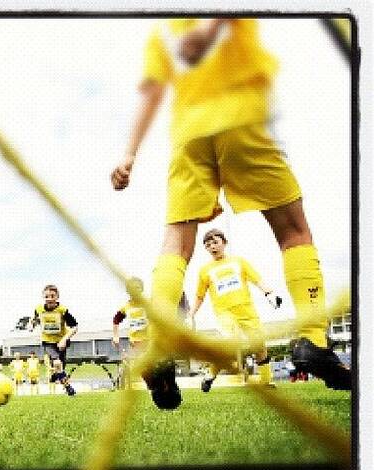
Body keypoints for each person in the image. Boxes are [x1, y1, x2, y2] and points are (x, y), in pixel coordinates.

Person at [111, 18, 350, 409]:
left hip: (188, 134)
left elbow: (152, 89)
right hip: (240, 116)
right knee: (294, 233)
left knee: (176, 242)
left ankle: (159, 344)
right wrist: (211, 29)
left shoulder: (165, 32)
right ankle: (312, 338)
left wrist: (129, 154)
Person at [188, 229, 281, 392]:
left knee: (259, 346)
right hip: (225, 315)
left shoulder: (239, 262)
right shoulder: (205, 271)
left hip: (247, 312)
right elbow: (199, 296)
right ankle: (210, 375)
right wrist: (190, 315)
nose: (212, 247)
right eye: (208, 245)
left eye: (215, 242)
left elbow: (256, 279)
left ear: (224, 242)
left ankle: (266, 381)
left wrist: (269, 293)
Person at [30, 285, 77, 396]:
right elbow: (35, 318)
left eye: (52, 296)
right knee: (57, 363)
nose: (49, 299)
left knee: (60, 368)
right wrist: (31, 324)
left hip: (61, 341)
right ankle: (68, 387)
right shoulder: (39, 309)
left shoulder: (63, 310)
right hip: (47, 342)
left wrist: (64, 339)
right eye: (47, 296)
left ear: (57, 297)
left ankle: (56, 375)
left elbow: (75, 327)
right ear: (43, 297)